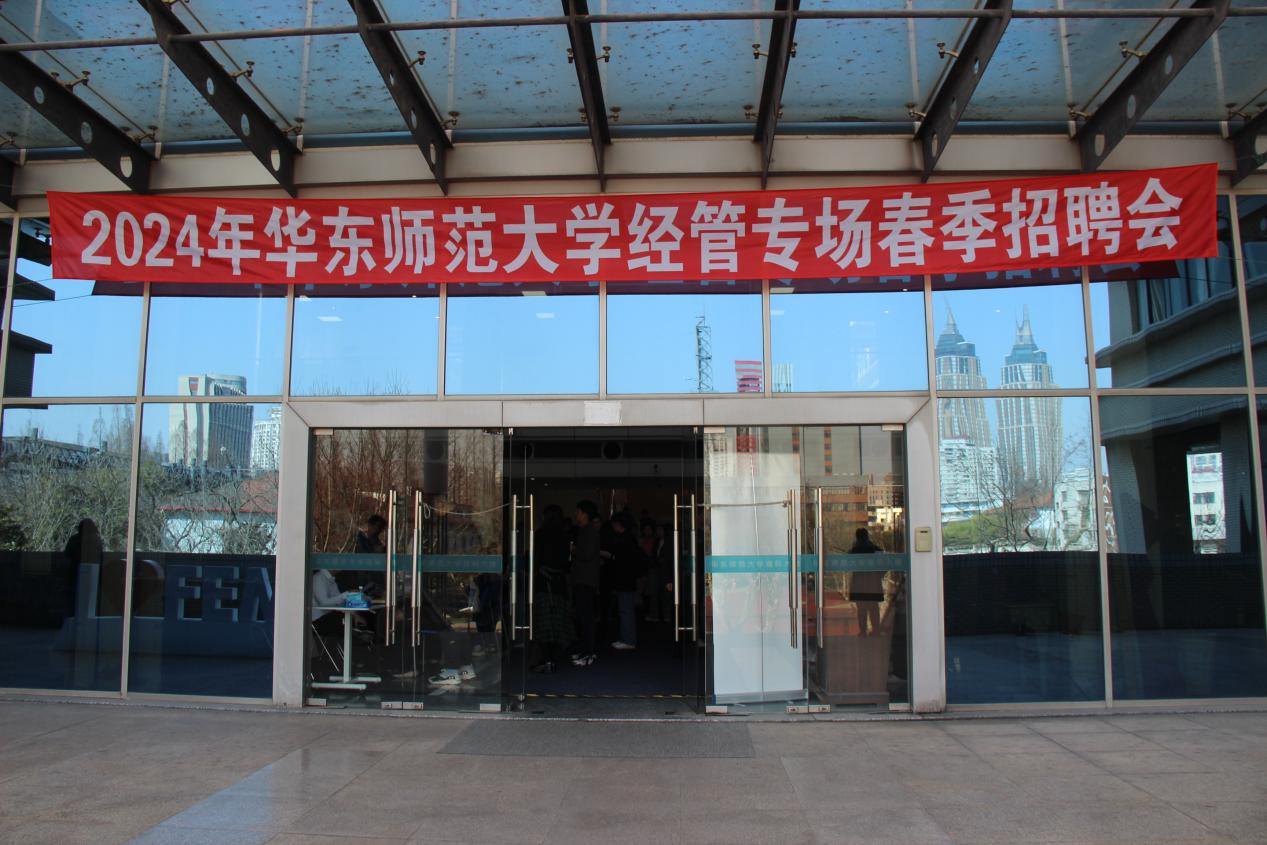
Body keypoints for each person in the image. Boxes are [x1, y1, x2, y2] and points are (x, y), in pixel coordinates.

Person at [530, 504, 573, 673]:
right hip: (559, 583)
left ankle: (545, 659)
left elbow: (535, 559)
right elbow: (567, 563)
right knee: (557, 623)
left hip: (543, 583)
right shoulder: (565, 535)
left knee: (543, 624)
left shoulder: (540, 534)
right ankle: (553, 658)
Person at [569, 500, 602, 667]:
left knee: (586, 617)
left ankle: (588, 652)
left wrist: (573, 549)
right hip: (583, 579)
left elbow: (587, 555)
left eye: (578, 511)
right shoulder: (585, 530)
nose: (576, 514)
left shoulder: (589, 531)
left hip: (585, 580)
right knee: (583, 617)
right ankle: (585, 650)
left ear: (585, 514)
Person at [606, 512, 643, 650]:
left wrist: (611, 556)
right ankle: (626, 638)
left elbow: (622, 559)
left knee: (625, 610)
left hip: (625, 579)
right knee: (625, 610)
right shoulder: (629, 538)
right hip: (627, 579)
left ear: (619, 524)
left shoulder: (625, 539)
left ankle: (628, 640)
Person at [63, 519, 102, 619]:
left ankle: (72, 620)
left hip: (75, 574)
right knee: (89, 601)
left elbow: (67, 556)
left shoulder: (74, 540)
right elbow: (99, 557)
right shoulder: (96, 540)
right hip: (91, 575)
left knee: (74, 601)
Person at [848, 527, 883, 637]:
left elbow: (847, 563)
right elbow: (884, 563)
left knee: (861, 610)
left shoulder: (854, 550)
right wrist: (879, 575)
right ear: (867, 536)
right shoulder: (875, 549)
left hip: (858, 584)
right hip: (873, 584)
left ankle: (863, 631)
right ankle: (876, 631)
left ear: (857, 537)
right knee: (874, 609)